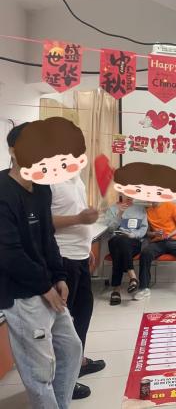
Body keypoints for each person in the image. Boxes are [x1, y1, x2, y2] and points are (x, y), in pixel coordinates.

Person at [0, 122, 82, 409]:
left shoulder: (42, 188)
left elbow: (47, 237)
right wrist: (44, 286)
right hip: (21, 293)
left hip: (47, 286)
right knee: (40, 371)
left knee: (71, 349)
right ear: (13, 151)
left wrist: (59, 276)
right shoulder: (3, 191)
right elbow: (8, 252)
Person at [51, 174, 106, 400]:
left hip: (80, 256)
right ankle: (64, 379)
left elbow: (79, 215)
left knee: (83, 312)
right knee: (65, 322)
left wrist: (87, 248)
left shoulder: (76, 178)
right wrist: (79, 218)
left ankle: (78, 363)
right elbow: (42, 221)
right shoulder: (48, 180)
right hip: (63, 257)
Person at [135, 201, 176, 300]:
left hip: (173, 240)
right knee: (145, 253)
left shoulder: (171, 206)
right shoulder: (148, 211)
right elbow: (147, 232)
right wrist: (154, 233)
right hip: (157, 242)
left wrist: (170, 234)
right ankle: (144, 288)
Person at [104, 195, 148, 305]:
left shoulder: (140, 209)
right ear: (121, 193)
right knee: (120, 241)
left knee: (119, 250)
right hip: (115, 241)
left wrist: (133, 235)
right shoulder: (112, 209)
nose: (129, 196)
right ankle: (132, 276)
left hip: (133, 242)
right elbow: (110, 229)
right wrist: (119, 214)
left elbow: (144, 228)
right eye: (126, 193)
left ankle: (116, 289)